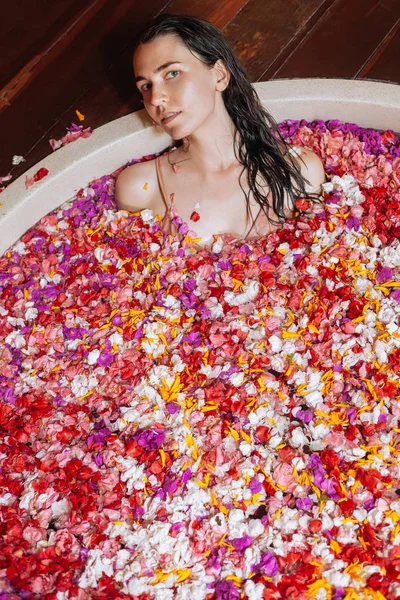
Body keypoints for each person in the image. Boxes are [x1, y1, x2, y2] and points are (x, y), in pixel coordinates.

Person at [115, 14, 325, 246]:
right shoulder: (139, 188)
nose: (156, 98)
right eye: (146, 86)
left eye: (172, 74)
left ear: (219, 75)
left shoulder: (300, 170)